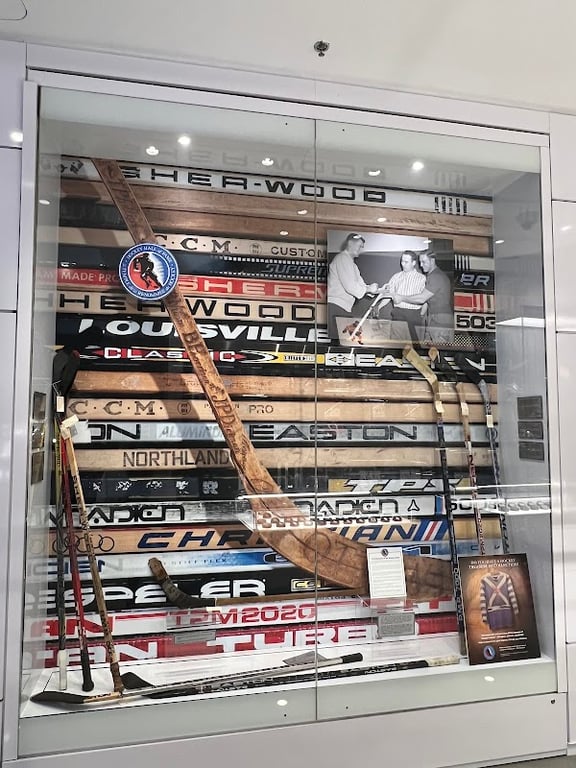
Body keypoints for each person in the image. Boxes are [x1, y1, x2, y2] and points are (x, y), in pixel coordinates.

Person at [390, 250, 453, 344]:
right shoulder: (432, 275)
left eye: (424, 262)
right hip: (433, 317)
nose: (421, 265)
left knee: (440, 350)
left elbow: (422, 298)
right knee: (430, 349)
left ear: (432, 261)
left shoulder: (436, 276)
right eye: (420, 262)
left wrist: (401, 297)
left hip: (441, 319)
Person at [327, 233, 382, 340]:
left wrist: (376, 290)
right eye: (359, 246)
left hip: (343, 308)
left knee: (342, 340)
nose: (361, 249)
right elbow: (351, 287)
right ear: (350, 244)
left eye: (362, 247)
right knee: (337, 340)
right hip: (336, 306)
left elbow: (361, 286)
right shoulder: (342, 258)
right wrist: (368, 289)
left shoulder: (352, 264)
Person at [377, 251, 426, 343]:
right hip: (398, 313)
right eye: (402, 261)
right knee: (397, 344)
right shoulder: (396, 277)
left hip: (414, 315)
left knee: (415, 344)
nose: (403, 264)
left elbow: (425, 299)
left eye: (406, 262)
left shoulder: (422, 278)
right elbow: (389, 294)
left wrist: (421, 314)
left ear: (413, 263)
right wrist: (379, 307)